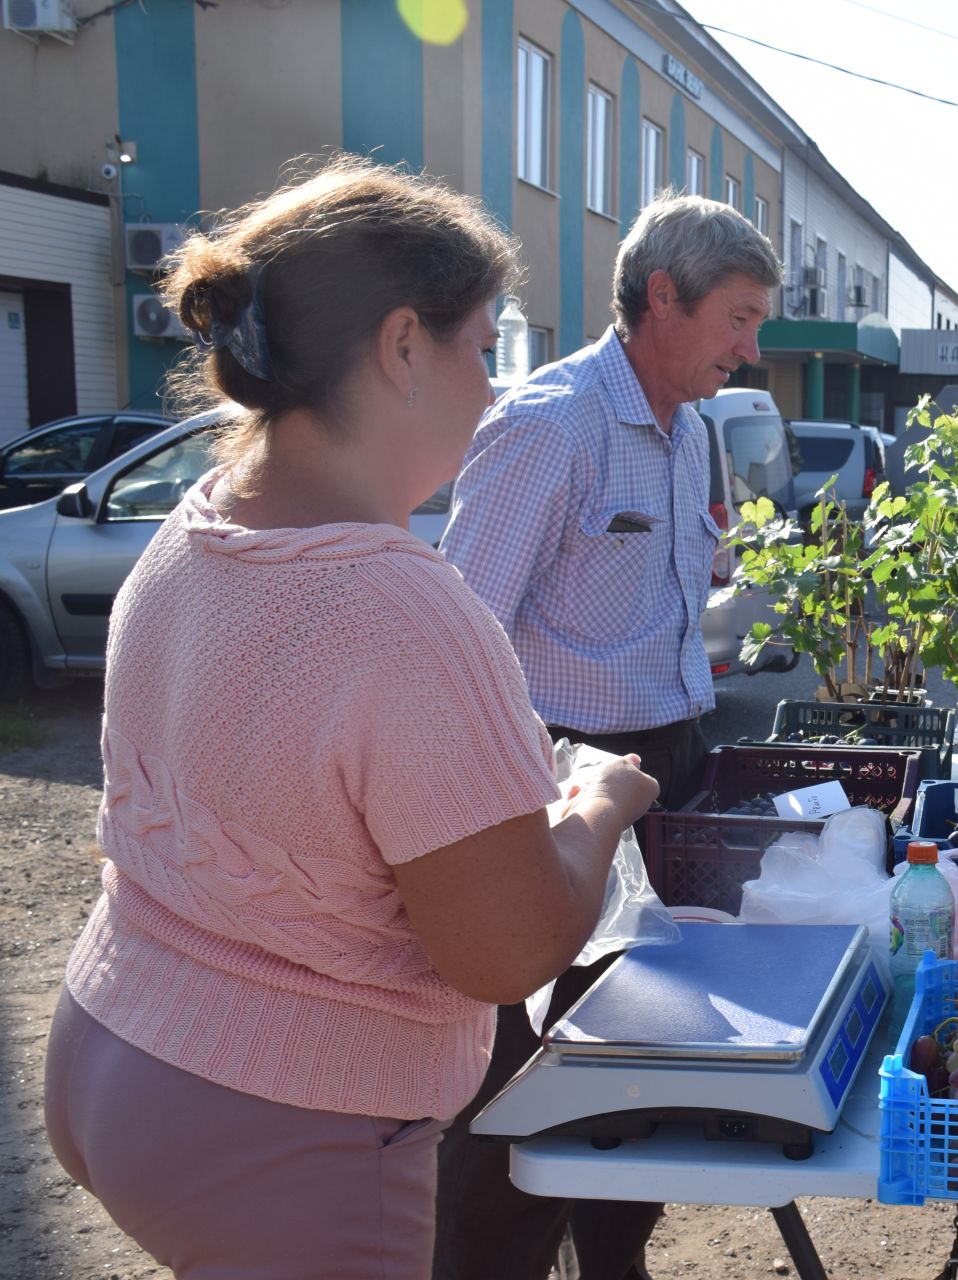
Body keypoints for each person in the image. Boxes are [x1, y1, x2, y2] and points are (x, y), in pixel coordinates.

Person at [40, 156, 660, 1280]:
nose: (496, 386)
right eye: (485, 345)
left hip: (113, 1047)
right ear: (402, 344)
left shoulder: (191, 529)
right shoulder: (405, 612)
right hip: (284, 1132)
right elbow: (506, 949)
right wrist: (599, 807)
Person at [433, 193, 782, 1280]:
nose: (751, 348)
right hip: (554, 775)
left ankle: (613, 1255)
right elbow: (461, 642)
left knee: (636, 1053)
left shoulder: (686, 434)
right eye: (738, 318)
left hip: (663, 766)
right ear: (661, 297)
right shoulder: (550, 423)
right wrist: (534, 806)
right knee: (522, 1075)